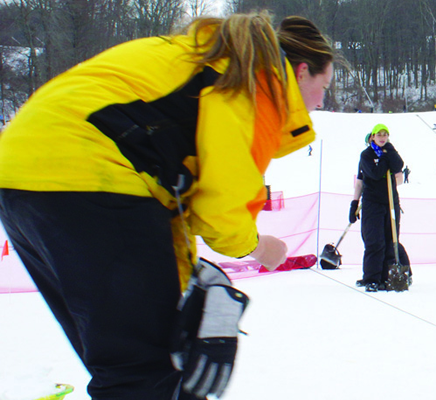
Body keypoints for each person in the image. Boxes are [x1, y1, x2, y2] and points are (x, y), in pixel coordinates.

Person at [0, 11, 336, 400]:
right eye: (324, 86)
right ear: (299, 72)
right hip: (91, 174)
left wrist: (186, 277)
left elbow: (167, 189)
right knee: (143, 369)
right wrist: (259, 247)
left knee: (129, 359)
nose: (320, 100)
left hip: (23, 177)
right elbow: (222, 206)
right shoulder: (255, 81)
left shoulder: (199, 58)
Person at [351, 123, 411, 292]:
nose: (382, 138)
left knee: (391, 241)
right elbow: (374, 174)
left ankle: (388, 276)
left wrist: (389, 153)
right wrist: (354, 203)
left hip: (390, 202)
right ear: (373, 137)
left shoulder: (389, 152)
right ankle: (371, 278)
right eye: (379, 135)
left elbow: (398, 167)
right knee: (374, 241)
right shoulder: (366, 155)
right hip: (372, 204)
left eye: (385, 135)